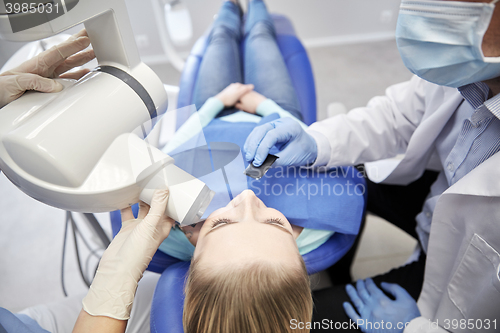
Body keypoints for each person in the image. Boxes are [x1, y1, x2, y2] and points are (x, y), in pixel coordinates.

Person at [244, 0, 500, 331]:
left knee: (293, 322)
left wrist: (415, 329)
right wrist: (317, 142)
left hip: (459, 291)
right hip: (439, 206)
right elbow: (398, 116)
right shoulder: (468, 71)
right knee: (348, 171)